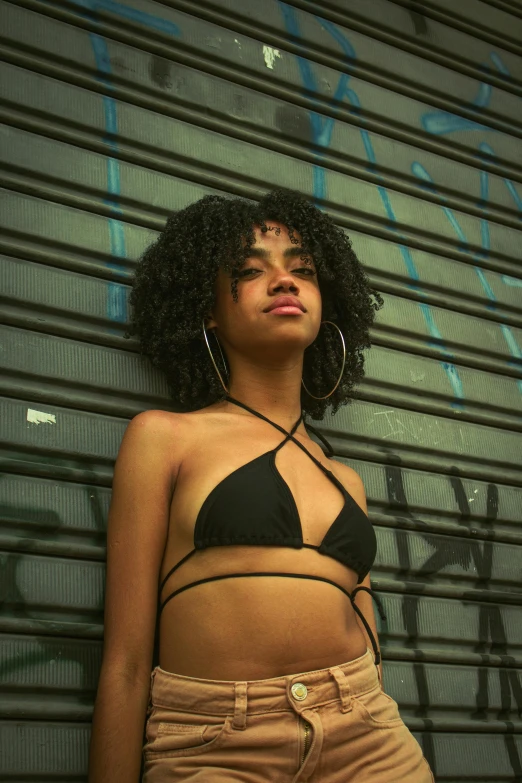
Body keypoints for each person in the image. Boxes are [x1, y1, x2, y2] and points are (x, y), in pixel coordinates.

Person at [87, 188, 435, 782]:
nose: (284, 281)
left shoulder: (346, 479)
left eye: (302, 271)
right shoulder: (165, 438)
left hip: (367, 735)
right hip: (219, 743)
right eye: (250, 271)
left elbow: (369, 636)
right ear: (207, 311)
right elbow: (124, 661)